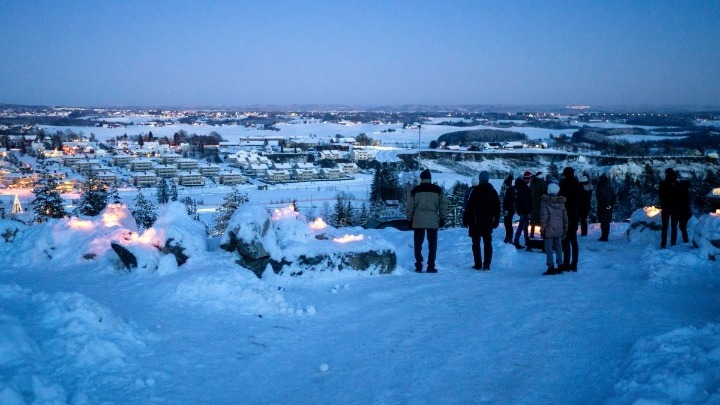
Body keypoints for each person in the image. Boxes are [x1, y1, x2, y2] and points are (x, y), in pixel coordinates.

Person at [407, 169, 448, 273]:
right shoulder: (438, 190)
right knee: (432, 244)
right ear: (430, 179)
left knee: (418, 243)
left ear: (421, 178)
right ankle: (431, 266)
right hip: (433, 220)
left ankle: (419, 265)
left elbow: (410, 207)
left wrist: (409, 220)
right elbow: (443, 204)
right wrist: (442, 218)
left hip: (418, 219)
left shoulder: (415, 190)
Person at [463, 171, 501, 270]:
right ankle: (487, 265)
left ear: (480, 179)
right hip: (487, 222)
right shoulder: (493, 191)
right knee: (487, 244)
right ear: (488, 179)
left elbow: (469, 206)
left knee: (476, 244)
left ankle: (478, 264)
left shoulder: (475, 190)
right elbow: (497, 207)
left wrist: (465, 219)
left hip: (475, 222)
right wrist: (496, 220)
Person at [540, 182, 567, 275]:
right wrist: (565, 228)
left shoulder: (545, 202)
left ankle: (550, 267)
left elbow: (544, 217)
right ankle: (560, 266)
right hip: (559, 228)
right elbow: (565, 218)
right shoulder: (562, 203)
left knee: (549, 249)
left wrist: (542, 229)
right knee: (559, 247)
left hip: (548, 229)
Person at [559, 167, 581, 271]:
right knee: (574, 240)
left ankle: (566, 264)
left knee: (565, 240)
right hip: (575, 213)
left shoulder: (563, 183)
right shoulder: (577, 184)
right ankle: (574, 264)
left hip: (565, 213)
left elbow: (560, 198)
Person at [658, 168, 678, 248]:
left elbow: (661, 195)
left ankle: (663, 244)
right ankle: (673, 243)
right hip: (676, 207)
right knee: (674, 227)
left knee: (664, 227)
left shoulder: (663, 183)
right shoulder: (676, 183)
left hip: (666, 207)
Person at [513, 171, 533, 249]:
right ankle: (517, 241)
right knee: (522, 226)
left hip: (522, 210)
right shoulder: (524, 188)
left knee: (523, 226)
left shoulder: (520, 186)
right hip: (525, 211)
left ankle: (525, 240)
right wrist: (528, 211)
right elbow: (526, 201)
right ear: (528, 178)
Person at [595, 174, 615, 242]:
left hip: (602, 207)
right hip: (609, 207)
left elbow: (599, 199)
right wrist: (610, 205)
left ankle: (603, 236)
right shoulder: (610, 188)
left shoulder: (599, 188)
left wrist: (604, 205)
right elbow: (613, 198)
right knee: (607, 222)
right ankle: (606, 236)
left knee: (603, 222)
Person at [529, 171, 547, 244]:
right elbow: (544, 193)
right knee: (541, 220)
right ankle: (542, 234)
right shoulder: (542, 183)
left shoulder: (533, 182)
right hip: (540, 204)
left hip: (533, 204)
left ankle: (532, 234)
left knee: (533, 219)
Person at [676, 179, 693, 244]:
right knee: (682, 226)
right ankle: (685, 239)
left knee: (682, 227)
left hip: (684, 212)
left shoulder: (683, 192)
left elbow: (682, 203)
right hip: (686, 212)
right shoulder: (686, 192)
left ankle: (685, 240)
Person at [501, 175, 516, 244]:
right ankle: (508, 237)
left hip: (508, 210)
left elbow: (509, 202)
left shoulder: (510, 191)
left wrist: (506, 209)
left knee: (508, 224)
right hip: (507, 210)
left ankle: (509, 237)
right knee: (507, 224)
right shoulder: (509, 190)